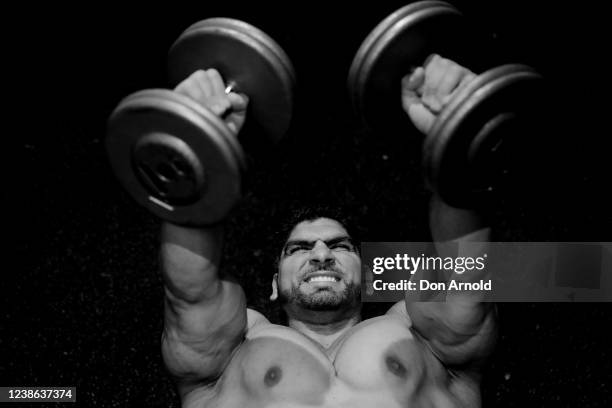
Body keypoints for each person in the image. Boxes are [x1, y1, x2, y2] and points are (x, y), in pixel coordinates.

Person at [161, 55, 496, 407]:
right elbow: (190, 291)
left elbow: (467, 282)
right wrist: (194, 146)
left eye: (340, 246)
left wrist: (457, 135)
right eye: (299, 249)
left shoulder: (420, 334)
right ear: (274, 284)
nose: (321, 255)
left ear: (367, 275)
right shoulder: (235, 349)